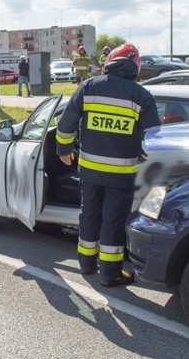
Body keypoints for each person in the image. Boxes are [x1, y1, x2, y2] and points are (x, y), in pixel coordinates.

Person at [55, 44, 161, 287]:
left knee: (89, 214)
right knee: (112, 220)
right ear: (135, 66)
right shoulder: (141, 95)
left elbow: (65, 124)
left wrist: (63, 150)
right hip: (121, 173)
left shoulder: (89, 86)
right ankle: (110, 273)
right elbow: (154, 137)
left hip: (90, 170)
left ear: (110, 61)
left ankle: (86, 264)